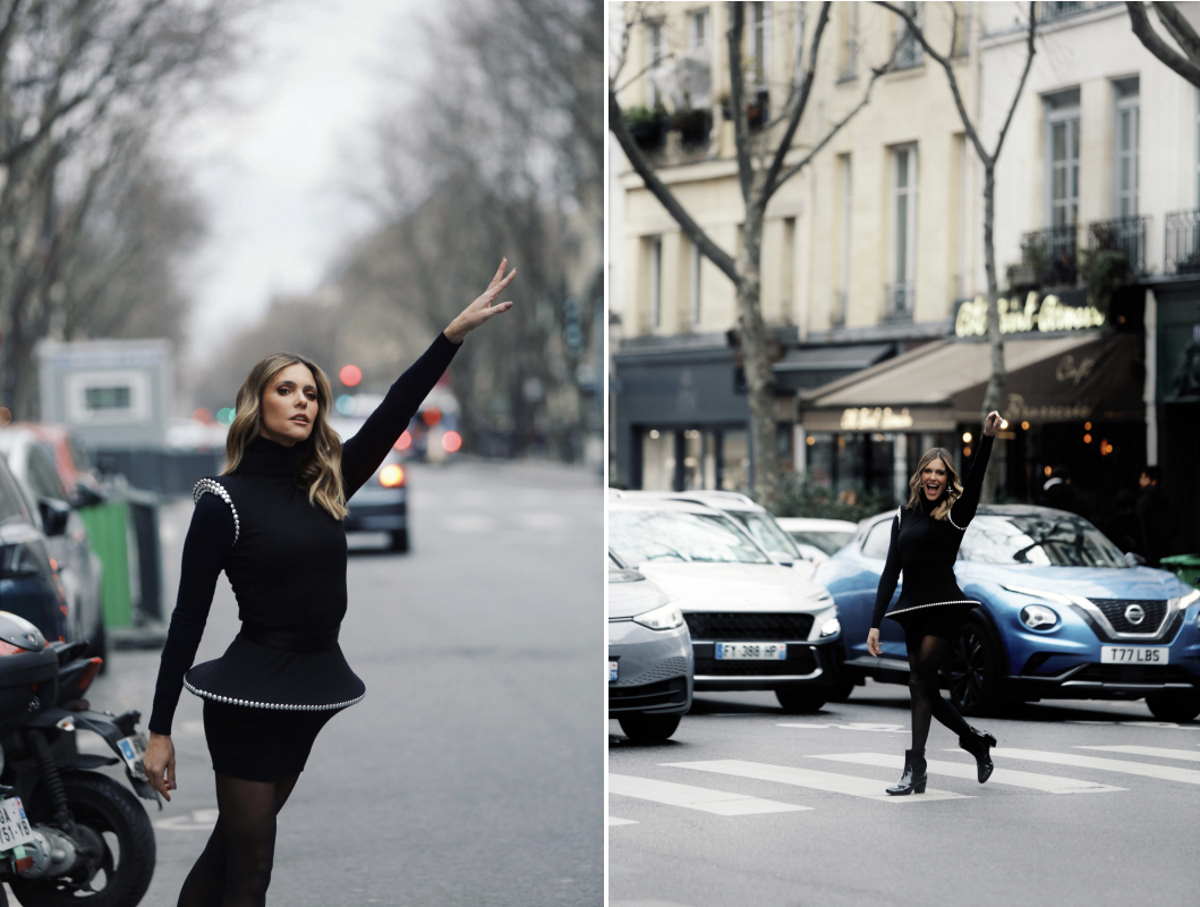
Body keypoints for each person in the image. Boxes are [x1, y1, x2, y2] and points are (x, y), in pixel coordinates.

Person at [143, 259, 517, 905]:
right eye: (286, 390)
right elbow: (188, 617)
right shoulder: (222, 501)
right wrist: (159, 729)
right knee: (253, 864)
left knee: (229, 851)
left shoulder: (327, 483)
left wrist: (449, 336)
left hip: (309, 692)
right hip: (249, 698)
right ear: (256, 403)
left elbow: (396, 410)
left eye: (311, 393)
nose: (302, 401)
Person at [865, 410, 1003, 796]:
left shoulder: (956, 514)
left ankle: (915, 768)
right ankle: (974, 740)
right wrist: (875, 623)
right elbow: (891, 570)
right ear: (919, 476)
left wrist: (987, 437)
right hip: (911, 610)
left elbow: (974, 483)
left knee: (918, 681)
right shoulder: (903, 515)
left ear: (948, 481)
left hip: (942, 608)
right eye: (928, 471)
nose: (933, 478)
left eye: (941, 473)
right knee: (924, 689)